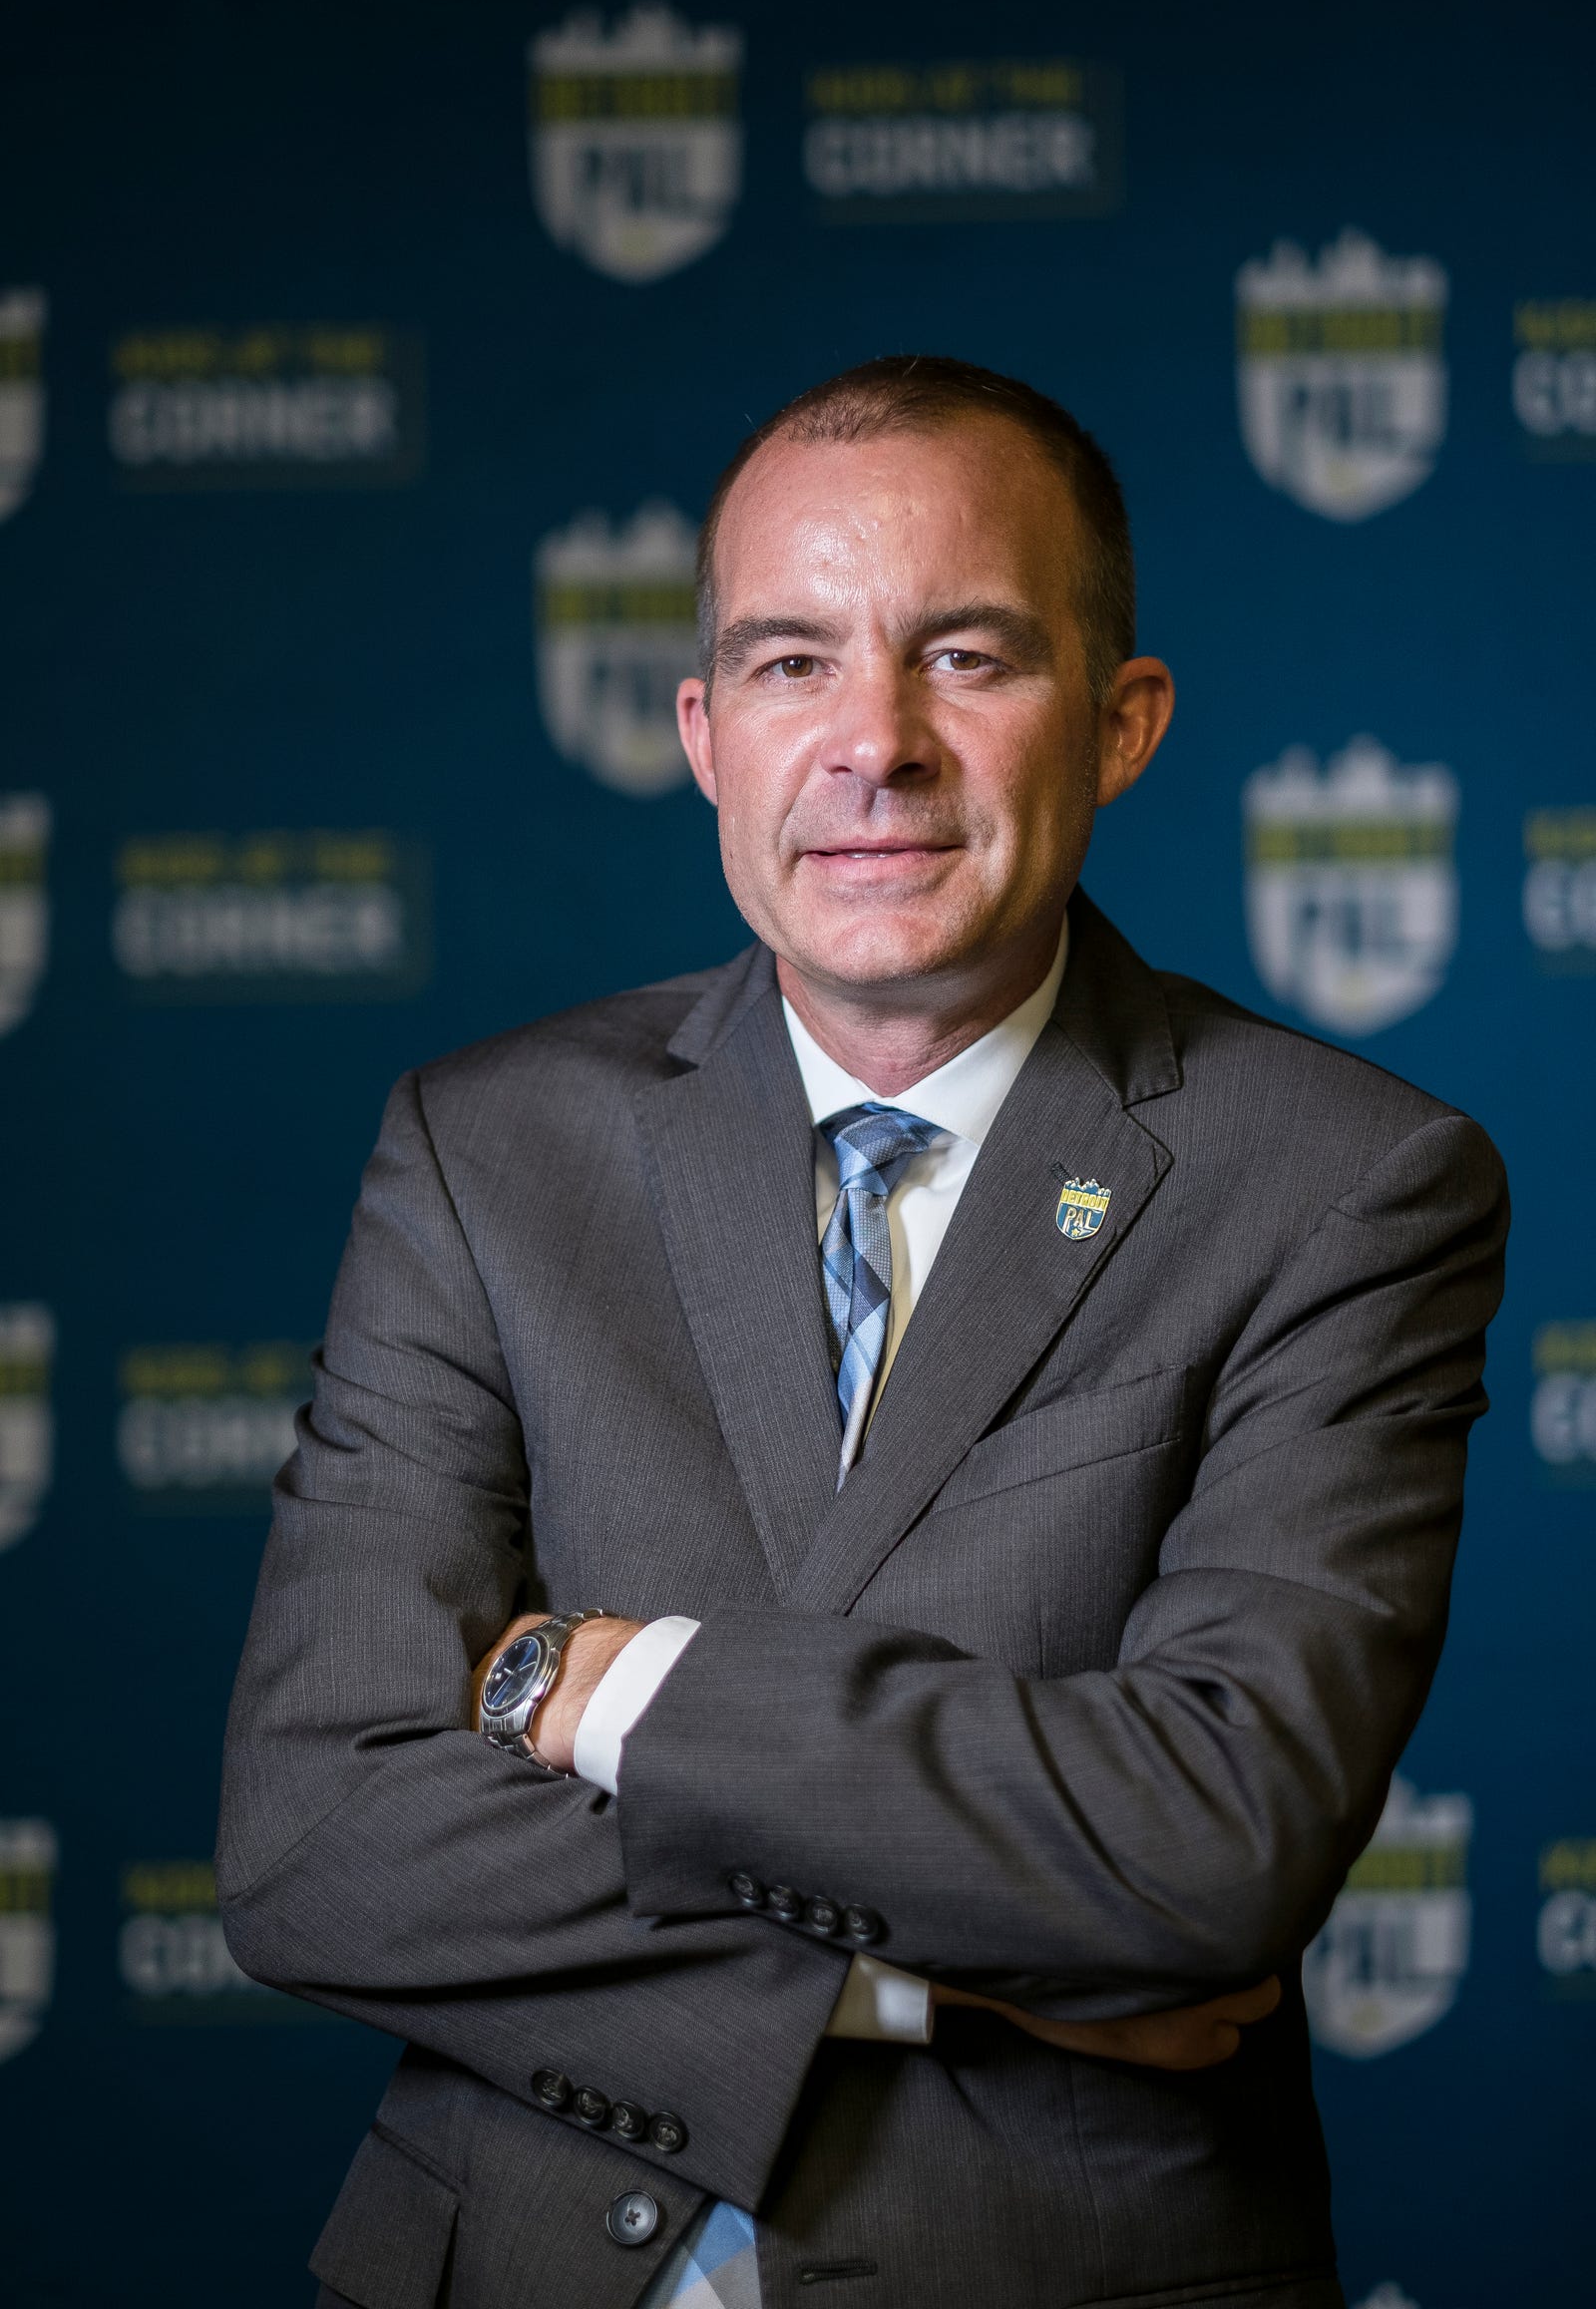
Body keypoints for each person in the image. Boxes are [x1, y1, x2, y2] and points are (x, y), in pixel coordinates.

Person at [218, 355, 1507, 2309]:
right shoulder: (484, 1152)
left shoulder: (1340, 1182)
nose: (870, 744)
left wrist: (604, 1688)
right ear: (704, 733)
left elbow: (1209, 1846)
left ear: (1122, 717)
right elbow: (316, 1838)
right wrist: (912, 1980)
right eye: (788, 664)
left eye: (964, 657)